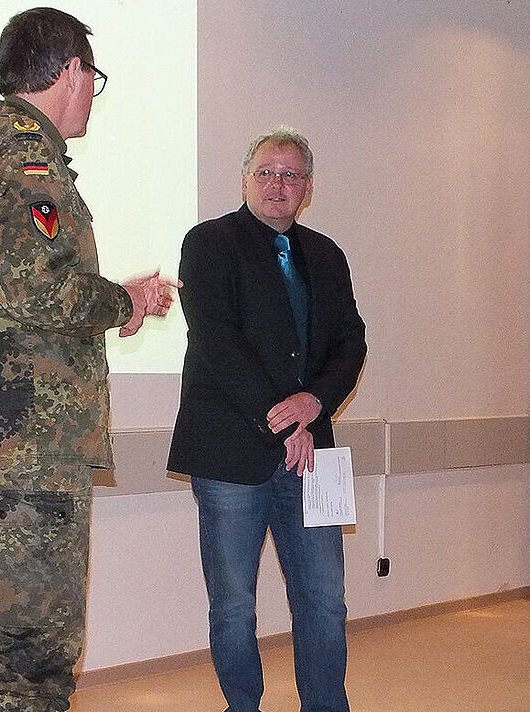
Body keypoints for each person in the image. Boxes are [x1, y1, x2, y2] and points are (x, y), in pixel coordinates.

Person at [0, 7, 178, 712]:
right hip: (30, 451)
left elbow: (20, 284)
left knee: (27, 652)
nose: (91, 94)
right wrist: (118, 301)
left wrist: (116, 299)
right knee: (34, 664)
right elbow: (40, 285)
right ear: (71, 70)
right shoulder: (24, 156)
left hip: (9, 445)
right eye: (92, 77)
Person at [168, 126, 367, 712]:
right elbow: (218, 344)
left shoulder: (328, 255)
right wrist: (285, 419)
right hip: (231, 456)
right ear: (245, 180)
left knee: (325, 600)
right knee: (234, 603)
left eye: (291, 174)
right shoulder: (208, 244)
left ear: (307, 187)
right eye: (266, 172)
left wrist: (315, 403)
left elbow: (351, 344)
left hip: (313, 457)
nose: (278, 184)